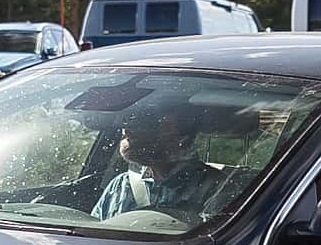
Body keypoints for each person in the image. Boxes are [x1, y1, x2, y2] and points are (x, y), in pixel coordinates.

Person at [89, 95, 228, 223]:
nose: (127, 129)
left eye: (148, 123)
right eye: (131, 121)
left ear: (182, 138)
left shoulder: (217, 188)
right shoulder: (119, 184)